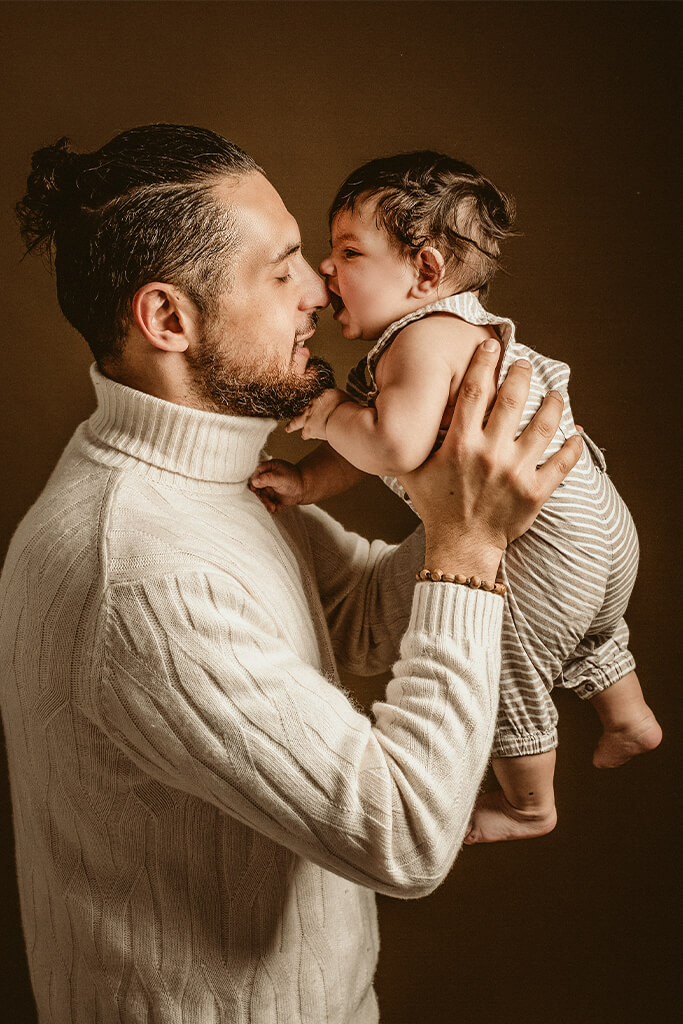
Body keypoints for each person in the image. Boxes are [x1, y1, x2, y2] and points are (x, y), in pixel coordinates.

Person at [0, 125, 579, 1024]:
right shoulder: (145, 573)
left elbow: (349, 618)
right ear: (168, 320)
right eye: (282, 270)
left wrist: (500, 523)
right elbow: (406, 835)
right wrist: (465, 550)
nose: (321, 290)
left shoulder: (194, 482)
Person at [250, 151, 662, 845]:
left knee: (501, 662)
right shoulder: (450, 335)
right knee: (587, 627)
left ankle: (530, 807)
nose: (326, 269)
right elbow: (367, 444)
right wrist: (307, 479)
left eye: (348, 251)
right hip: (598, 532)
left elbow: (392, 446)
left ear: (426, 271)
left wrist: (321, 413)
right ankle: (627, 716)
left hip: (543, 547)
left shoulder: (422, 340)